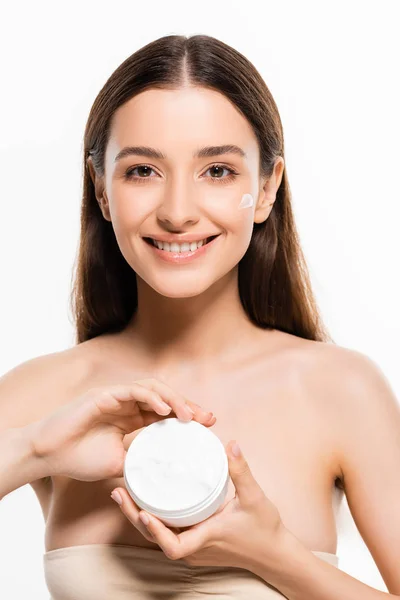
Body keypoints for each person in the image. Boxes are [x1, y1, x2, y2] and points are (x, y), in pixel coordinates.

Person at [1, 33, 399, 599]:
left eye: (217, 171)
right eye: (142, 171)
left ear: (266, 189)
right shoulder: (45, 395)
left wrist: (274, 555)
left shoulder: (341, 391)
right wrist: (33, 450)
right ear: (102, 189)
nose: (178, 212)